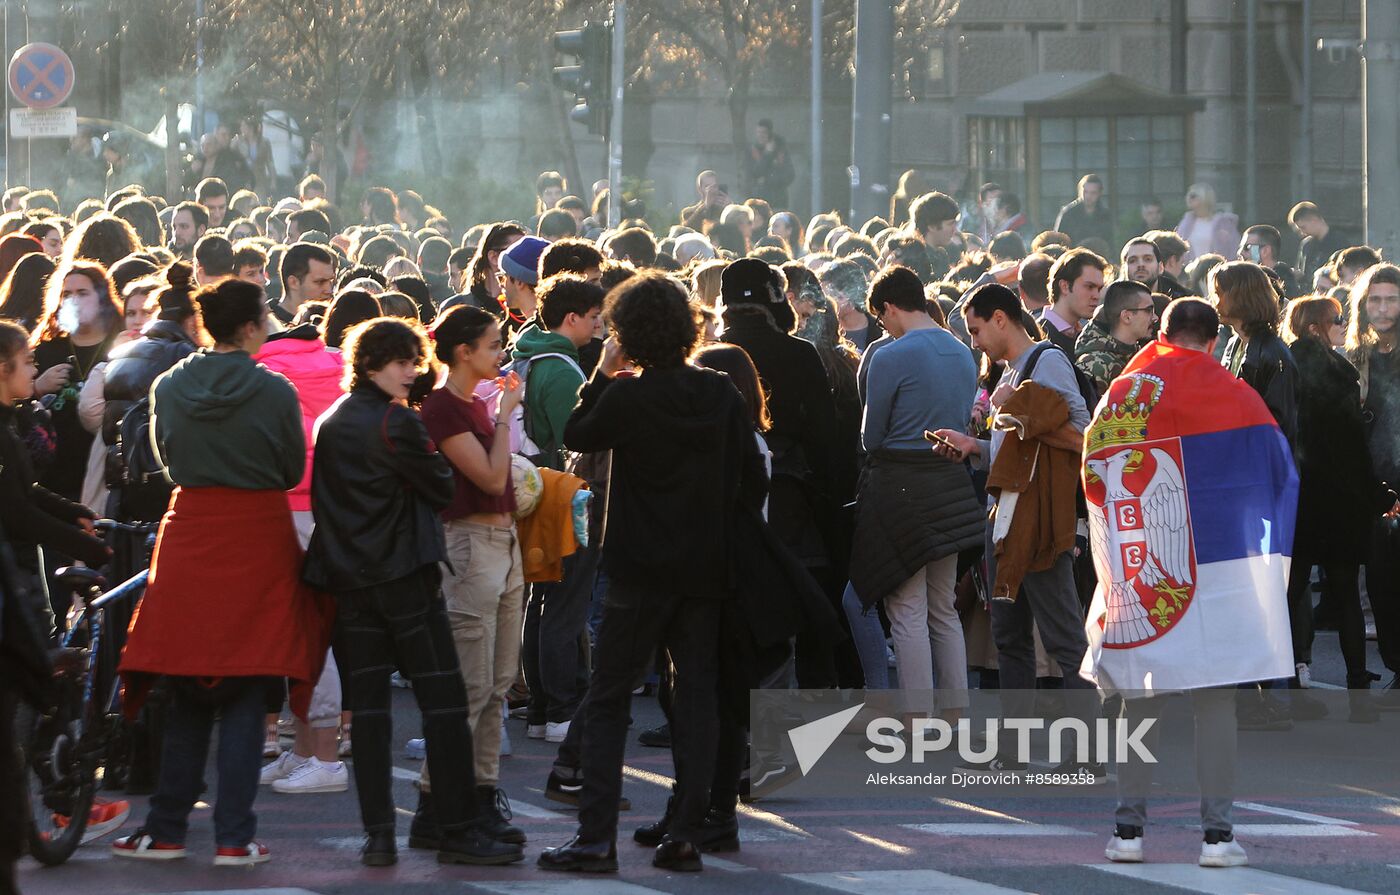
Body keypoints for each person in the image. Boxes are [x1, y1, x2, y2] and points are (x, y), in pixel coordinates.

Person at [538, 273, 766, 874]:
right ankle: (687, 832)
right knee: (695, 698)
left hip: (639, 565)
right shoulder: (720, 394)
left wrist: (603, 372)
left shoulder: (628, 395)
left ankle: (595, 838)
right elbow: (753, 475)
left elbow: (575, 433)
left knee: (611, 695)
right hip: (705, 567)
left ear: (629, 335)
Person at [112, 279, 331, 866]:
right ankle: (235, 835)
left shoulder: (168, 385)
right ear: (254, 324)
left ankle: (166, 828)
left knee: (185, 685)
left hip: (191, 531)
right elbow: (290, 467)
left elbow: (165, 462)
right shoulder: (275, 390)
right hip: (258, 533)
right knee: (247, 685)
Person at [303, 317, 523, 867]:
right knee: (445, 705)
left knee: (372, 715)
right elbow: (444, 484)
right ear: (371, 364)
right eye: (401, 362)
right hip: (404, 579)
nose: (411, 371)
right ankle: (454, 827)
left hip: (352, 583)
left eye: (413, 360)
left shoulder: (331, 421)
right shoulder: (394, 424)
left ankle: (380, 834)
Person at [1087, 297, 1297, 870]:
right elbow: (1279, 468)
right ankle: (1217, 837)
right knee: (1216, 703)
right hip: (1219, 567)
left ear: (1163, 331)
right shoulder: (1233, 392)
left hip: (1145, 565)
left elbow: (1095, 470)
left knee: (1140, 699)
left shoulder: (1125, 391)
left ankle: (1127, 832)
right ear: (1212, 338)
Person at [933, 283, 1096, 773]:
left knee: (1064, 636)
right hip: (1007, 515)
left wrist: (1013, 407)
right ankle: (1014, 749)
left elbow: (1085, 435)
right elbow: (1016, 451)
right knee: (1009, 635)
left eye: (978, 330)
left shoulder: (1045, 362)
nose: (975, 342)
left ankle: (1085, 753)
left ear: (1002, 318)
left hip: (1038, 520)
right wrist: (973, 446)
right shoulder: (1016, 370)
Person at [413, 305, 528, 846]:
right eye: (492, 345)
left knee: (499, 683)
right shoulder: (443, 408)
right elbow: (488, 476)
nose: (500, 352)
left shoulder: (470, 405)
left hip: (502, 542)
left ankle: (481, 798)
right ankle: (441, 806)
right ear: (464, 352)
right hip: (470, 543)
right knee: (471, 684)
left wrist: (497, 414)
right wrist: (506, 414)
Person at [850, 266, 982, 719]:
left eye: (881, 317)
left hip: (900, 485)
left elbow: (871, 437)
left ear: (888, 307)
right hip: (949, 480)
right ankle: (956, 710)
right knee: (942, 606)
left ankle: (916, 716)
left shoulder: (889, 355)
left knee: (905, 606)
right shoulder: (963, 351)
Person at [1283, 295, 1397, 721]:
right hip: (1339, 500)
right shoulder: (1338, 373)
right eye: (1336, 320)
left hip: (1298, 499)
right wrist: (1376, 492)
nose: (1342, 325)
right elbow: (1352, 446)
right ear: (1316, 326)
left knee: (1290, 592)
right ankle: (1356, 691)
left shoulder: (1286, 365)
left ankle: (1288, 683)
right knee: (1346, 590)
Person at [252, 300, 350, 794]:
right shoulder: (335, 361)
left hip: (286, 503)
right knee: (309, 627)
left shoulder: (263, 371)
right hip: (327, 504)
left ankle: (326, 757)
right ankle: (309, 749)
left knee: (307, 632)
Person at [1345, 263, 1400, 707]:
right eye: (1375, 299)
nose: (1383, 308)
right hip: (1371, 486)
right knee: (1381, 582)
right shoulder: (1353, 357)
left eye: (1392, 298)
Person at [30, 261, 125, 501]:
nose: (74, 300)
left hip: (105, 473)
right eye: (66, 294)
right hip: (55, 477)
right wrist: (37, 387)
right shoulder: (46, 350)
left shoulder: (121, 347)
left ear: (102, 298)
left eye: (83, 293)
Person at [1212, 261, 1298, 445]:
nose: (1215, 301)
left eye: (1219, 293)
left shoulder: (1274, 353)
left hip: (1262, 461)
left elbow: (1279, 424)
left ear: (1240, 297)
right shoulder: (1234, 343)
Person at [1075, 280, 1156, 394]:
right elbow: (1084, 409)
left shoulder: (1139, 356)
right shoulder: (1094, 364)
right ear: (1127, 317)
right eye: (1149, 310)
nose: (1155, 318)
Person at [1038, 247, 1107, 354]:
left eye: (1099, 289)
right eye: (1089, 287)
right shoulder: (1037, 335)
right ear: (1065, 286)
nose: (1096, 296)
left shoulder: (1087, 335)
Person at [463, 222, 526, 315]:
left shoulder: (529, 308)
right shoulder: (459, 307)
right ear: (494, 257)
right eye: (518, 252)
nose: (526, 257)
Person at [498, 236, 549, 342]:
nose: (501, 284)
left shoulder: (534, 337)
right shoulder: (559, 325)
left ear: (519, 282)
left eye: (503, 277)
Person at [274, 243, 337, 326]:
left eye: (331, 280)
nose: (329, 290)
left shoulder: (336, 321)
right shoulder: (267, 326)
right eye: (320, 282)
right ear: (293, 282)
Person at [1288, 201, 1350, 285]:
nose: (1302, 232)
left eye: (1303, 227)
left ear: (1314, 220)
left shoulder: (1339, 241)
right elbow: (1303, 273)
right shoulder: (1306, 244)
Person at [1175, 183, 1239, 262]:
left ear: (1204, 198)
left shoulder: (1223, 223)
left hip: (1218, 270)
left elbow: (1233, 248)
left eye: (1193, 196)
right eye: (1188, 195)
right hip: (1192, 271)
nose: (1189, 198)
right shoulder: (1186, 223)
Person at [908, 191, 960, 281]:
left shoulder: (941, 255)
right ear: (932, 226)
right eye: (950, 224)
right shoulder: (914, 259)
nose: (955, 230)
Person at [1238, 225, 1301, 298]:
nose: (1240, 252)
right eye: (1240, 247)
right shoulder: (1248, 280)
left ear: (1265, 251)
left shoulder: (1284, 285)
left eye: (1247, 247)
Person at [1053, 174, 1114, 248]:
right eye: (1085, 192)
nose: (1088, 196)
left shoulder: (1105, 215)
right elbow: (1058, 241)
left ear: (1099, 193)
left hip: (1097, 256)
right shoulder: (1068, 213)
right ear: (1080, 191)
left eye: (1093, 193)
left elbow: (1110, 243)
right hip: (1073, 256)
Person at [1120, 237, 1191, 300]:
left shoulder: (1183, 300)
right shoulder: (1112, 302)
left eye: (1148, 259)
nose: (1140, 265)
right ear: (1124, 269)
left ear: (1160, 267)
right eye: (1133, 260)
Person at [747, 119, 794, 209]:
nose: (760, 136)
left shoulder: (780, 151)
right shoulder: (752, 151)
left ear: (770, 134)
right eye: (758, 132)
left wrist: (768, 180)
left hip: (779, 199)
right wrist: (767, 154)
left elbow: (790, 175)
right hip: (759, 199)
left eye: (763, 133)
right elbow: (754, 173)